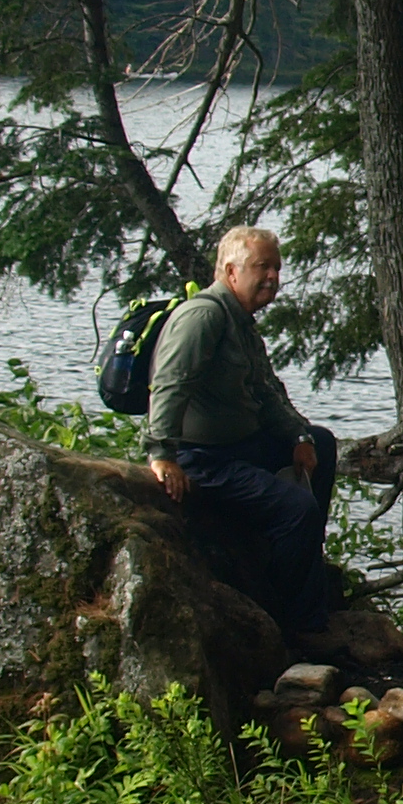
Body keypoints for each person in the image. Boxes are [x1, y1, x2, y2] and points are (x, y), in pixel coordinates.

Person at [144, 226, 339, 642]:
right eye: (262, 267)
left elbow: (267, 393)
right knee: (296, 509)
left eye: (276, 268)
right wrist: (162, 454)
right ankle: (299, 626)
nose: (272, 277)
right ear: (231, 271)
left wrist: (298, 437)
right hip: (206, 458)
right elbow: (169, 384)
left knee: (320, 442)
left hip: (242, 446)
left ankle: (301, 567)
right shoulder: (203, 316)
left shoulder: (241, 322)